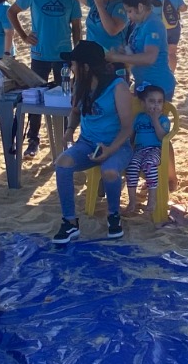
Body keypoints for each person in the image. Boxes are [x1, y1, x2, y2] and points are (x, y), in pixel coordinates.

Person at [49, 41, 136, 243]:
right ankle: (70, 222)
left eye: (73, 64)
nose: (70, 68)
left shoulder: (118, 87)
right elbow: (76, 112)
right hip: (87, 144)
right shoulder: (79, 84)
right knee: (62, 163)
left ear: (86, 66)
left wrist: (110, 149)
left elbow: (127, 127)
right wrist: (70, 130)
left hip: (117, 145)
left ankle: (113, 215)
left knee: (110, 171)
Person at [9, 0, 84, 158]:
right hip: (39, 55)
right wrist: (24, 36)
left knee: (64, 99)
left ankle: (64, 140)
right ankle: (33, 140)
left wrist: (77, 52)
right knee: (35, 100)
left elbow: (76, 26)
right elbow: (11, 11)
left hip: (63, 56)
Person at [107, 0, 175, 100]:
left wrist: (117, 57)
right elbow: (139, 52)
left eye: (129, 11)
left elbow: (149, 58)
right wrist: (125, 52)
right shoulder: (141, 23)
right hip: (144, 85)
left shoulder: (152, 24)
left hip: (157, 86)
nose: (128, 16)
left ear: (140, 7)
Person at [125, 84, 172, 213]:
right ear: (143, 104)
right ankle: (132, 200)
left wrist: (155, 120)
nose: (155, 105)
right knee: (131, 166)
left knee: (149, 164)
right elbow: (131, 135)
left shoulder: (163, 120)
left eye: (159, 102)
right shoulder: (139, 118)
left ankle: (152, 200)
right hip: (139, 149)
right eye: (151, 101)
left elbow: (163, 137)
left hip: (155, 150)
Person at [151, 0, 183, 75]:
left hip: (159, 27)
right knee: (172, 52)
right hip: (173, 26)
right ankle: (172, 74)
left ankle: (160, 73)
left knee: (159, 52)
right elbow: (184, 8)